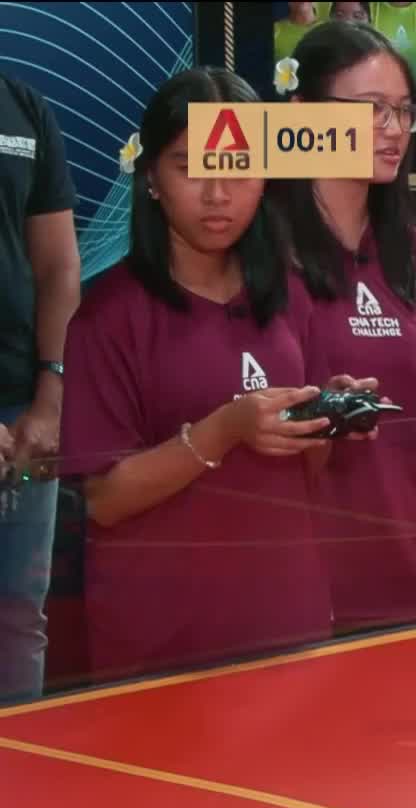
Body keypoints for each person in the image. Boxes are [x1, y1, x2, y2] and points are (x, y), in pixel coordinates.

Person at [59, 68, 370, 680]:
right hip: (163, 641)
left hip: (287, 620)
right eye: (191, 167)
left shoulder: (291, 296)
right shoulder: (108, 317)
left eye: (238, 167)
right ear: (152, 177)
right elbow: (105, 500)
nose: (218, 193)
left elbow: (311, 473)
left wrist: (325, 417)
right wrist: (223, 430)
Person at [275, 19, 416, 631]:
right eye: (371, 109)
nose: (393, 129)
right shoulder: (261, 256)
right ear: (303, 116)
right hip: (295, 574)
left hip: (409, 564)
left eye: (402, 111)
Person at [0, 72, 80, 702]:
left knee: (19, 615)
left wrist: (50, 401)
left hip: (21, 414)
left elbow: (57, 265)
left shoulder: (24, 107)